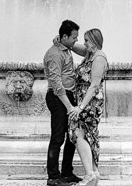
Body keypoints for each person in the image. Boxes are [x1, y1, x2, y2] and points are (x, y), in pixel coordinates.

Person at [43, 20, 82, 185]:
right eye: (74, 37)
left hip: (68, 96)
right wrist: (70, 107)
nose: (76, 41)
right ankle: (53, 177)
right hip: (58, 98)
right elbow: (57, 85)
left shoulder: (66, 48)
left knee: (72, 136)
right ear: (64, 36)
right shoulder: (54, 54)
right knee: (58, 137)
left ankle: (67, 173)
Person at [68, 28, 108, 186]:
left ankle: (90, 173)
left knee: (78, 133)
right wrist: (66, 43)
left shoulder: (99, 57)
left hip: (90, 103)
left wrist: (80, 107)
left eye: (86, 40)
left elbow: (94, 85)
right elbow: (77, 48)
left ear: (94, 41)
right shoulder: (90, 53)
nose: (83, 43)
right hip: (85, 102)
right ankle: (93, 173)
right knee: (86, 135)